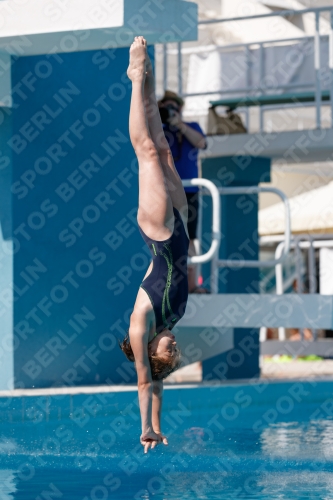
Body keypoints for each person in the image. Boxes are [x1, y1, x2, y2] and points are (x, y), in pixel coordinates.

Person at [120, 37, 189, 453]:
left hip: (158, 233)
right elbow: (160, 383)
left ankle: (134, 79)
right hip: (178, 227)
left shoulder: (140, 322)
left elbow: (147, 381)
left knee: (145, 152)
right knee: (162, 150)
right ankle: (148, 84)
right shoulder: (172, 319)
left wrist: (145, 426)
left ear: (149, 349)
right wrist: (160, 427)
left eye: (169, 351)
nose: (175, 347)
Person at [158, 90, 208, 293]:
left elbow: (202, 143)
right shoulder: (159, 130)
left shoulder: (191, 127)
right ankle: (166, 285)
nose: (170, 111)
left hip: (188, 190)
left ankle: (191, 285)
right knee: (163, 237)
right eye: (166, 107)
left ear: (180, 109)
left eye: (174, 107)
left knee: (189, 239)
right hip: (165, 191)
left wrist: (179, 125)